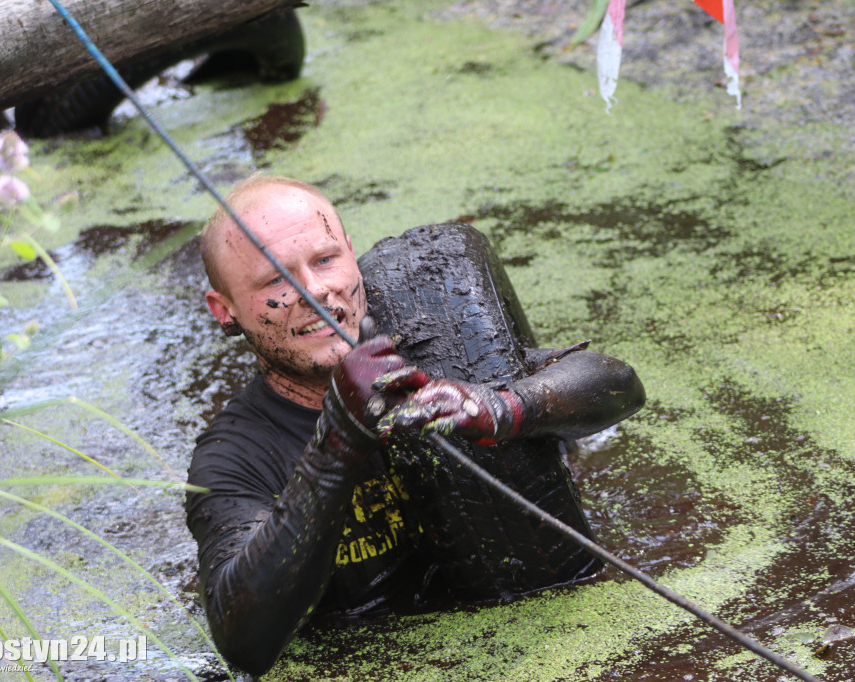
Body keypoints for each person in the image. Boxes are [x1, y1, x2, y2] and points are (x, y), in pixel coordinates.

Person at [185, 174, 646, 675]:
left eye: (325, 260)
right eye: (274, 279)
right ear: (224, 311)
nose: (315, 290)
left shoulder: (429, 345)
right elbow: (241, 638)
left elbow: (620, 385)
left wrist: (504, 407)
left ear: (350, 254)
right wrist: (338, 440)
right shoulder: (233, 455)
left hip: (548, 633)